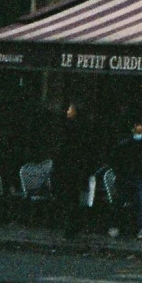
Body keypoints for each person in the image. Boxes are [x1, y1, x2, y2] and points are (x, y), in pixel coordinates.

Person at [50, 101, 91, 240]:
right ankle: (74, 226)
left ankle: (69, 227)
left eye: (70, 109)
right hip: (76, 169)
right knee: (74, 198)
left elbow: (63, 149)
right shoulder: (83, 129)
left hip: (68, 169)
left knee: (68, 198)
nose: (67, 111)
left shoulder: (69, 129)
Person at [111, 120, 142, 241]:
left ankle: (135, 226)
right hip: (126, 176)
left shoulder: (138, 144)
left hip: (135, 175)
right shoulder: (125, 145)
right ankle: (118, 225)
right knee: (123, 200)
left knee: (140, 201)